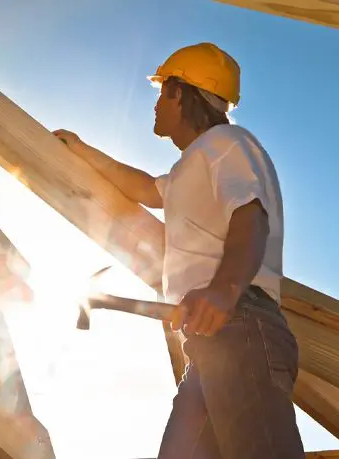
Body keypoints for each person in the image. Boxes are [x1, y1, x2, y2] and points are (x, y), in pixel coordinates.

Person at [53, 42, 305, 459]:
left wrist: (224, 290)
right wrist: (79, 148)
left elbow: (251, 215)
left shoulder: (228, 143)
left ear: (179, 92)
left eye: (160, 92)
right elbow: (142, 188)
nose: (155, 104)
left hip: (241, 324)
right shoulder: (192, 166)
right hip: (209, 340)